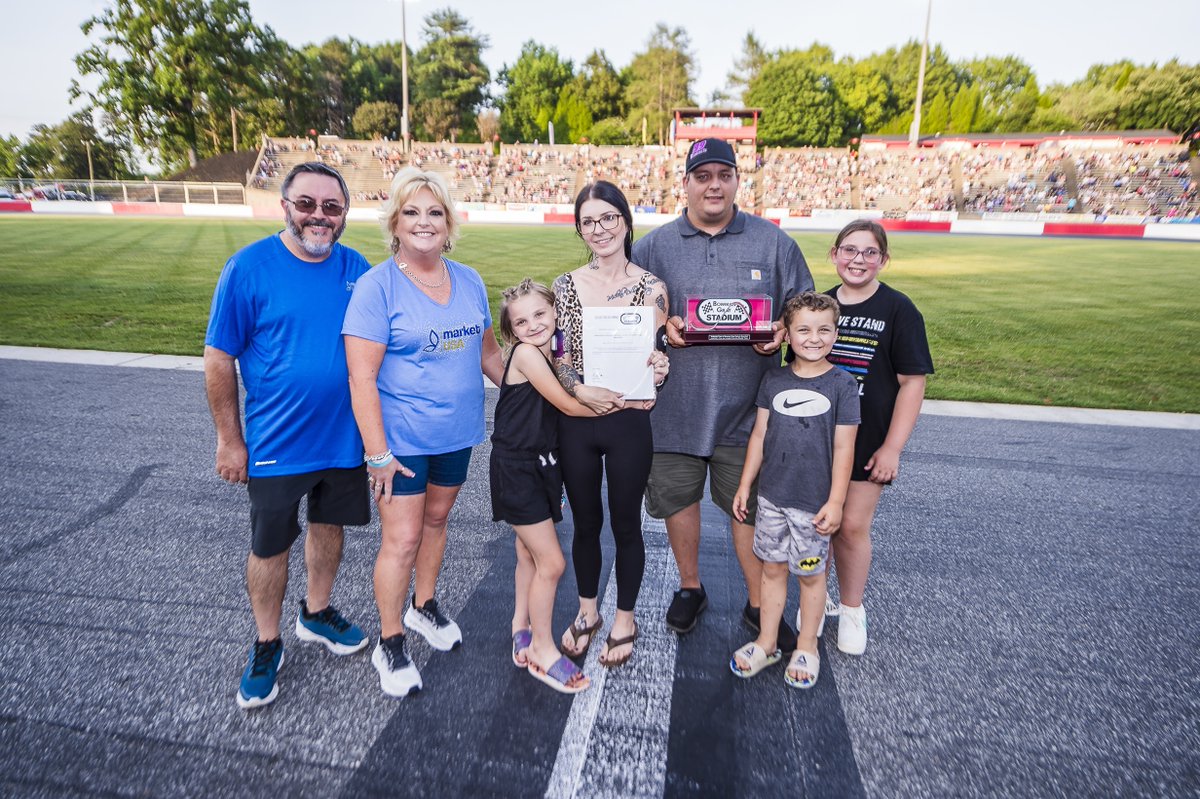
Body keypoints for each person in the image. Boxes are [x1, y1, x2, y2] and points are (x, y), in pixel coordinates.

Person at [631, 137, 814, 652]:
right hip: (672, 408)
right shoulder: (653, 247)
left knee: (748, 509)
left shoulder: (773, 242)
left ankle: (759, 603)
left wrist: (783, 331)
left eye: (723, 174)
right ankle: (691, 587)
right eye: (702, 175)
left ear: (737, 180)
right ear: (685, 183)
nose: (714, 184)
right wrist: (658, 326)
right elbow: (627, 315)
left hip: (749, 412)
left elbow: (806, 310)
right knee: (678, 503)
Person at [204, 162, 371, 710]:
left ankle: (317, 613)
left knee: (330, 528)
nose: (318, 216)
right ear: (285, 206)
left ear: (344, 212)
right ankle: (266, 641)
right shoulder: (247, 268)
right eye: (307, 204)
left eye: (331, 207)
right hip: (277, 442)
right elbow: (218, 358)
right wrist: (230, 440)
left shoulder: (357, 267)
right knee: (270, 545)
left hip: (344, 440)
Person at [342, 166, 504, 697]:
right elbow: (360, 377)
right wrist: (378, 455)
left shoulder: (471, 279)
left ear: (450, 222)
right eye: (412, 211)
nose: (424, 222)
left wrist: (537, 394)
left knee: (436, 522)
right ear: (394, 222)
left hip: (457, 434)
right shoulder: (376, 286)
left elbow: (488, 356)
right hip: (401, 443)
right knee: (402, 538)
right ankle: (390, 644)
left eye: (434, 211)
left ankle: (423, 607)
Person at [552, 181, 670, 668]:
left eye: (608, 218)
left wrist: (660, 370)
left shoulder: (651, 286)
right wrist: (577, 389)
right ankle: (586, 612)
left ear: (625, 220)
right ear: (579, 228)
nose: (599, 229)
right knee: (584, 523)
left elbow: (657, 352)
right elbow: (556, 354)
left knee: (626, 524)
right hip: (577, 418)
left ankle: (624, 616)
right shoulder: (563, 285)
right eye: (588, 221)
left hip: (628, 419)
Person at [730, 293, 859, 688]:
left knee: (810, 574)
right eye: (803, 329)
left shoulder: (842, 385)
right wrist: (745, 484)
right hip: (771, 500)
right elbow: (759, 434)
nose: (814, 338)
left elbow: (844, 448)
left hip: (813, 506)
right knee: (770, 570)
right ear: (787, 335)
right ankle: (767, 642)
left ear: (836, 334)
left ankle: (807, 646)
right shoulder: (774, 380)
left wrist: (836, 502)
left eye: (824, 330)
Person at [821, 220, 934, 655]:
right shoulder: (819, 304)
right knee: (818, 526)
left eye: (870, 253)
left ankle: (852, 609)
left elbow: (912, 382)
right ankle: (818, 601)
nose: (858, 260)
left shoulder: (898, 309)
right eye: (850, 250)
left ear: (883, 260)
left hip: (869, 439)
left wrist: (892, 447)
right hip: (819, 437)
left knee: (850, 526)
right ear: (834, 254)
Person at [492, 279, 597, 693]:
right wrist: (626, 402)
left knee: (528, 553)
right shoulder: (526, 355)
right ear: (512, 330)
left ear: (555, 312)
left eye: (540, 314)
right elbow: (569, 404)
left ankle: (521, 624)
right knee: (551, 563)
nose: (533, 325)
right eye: (521, 321)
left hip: (541, 464)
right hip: (517, 467)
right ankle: (542, 649)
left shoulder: (553, 348)